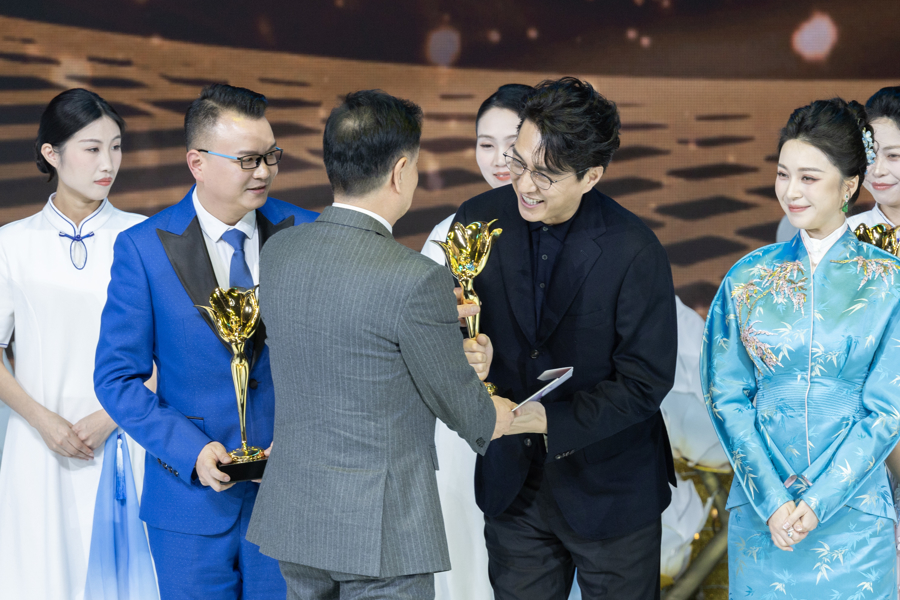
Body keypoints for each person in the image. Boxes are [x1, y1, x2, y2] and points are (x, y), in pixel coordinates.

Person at [246, 89, 517, 600]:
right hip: (382, 529)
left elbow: (345, 345)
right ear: (400, 171)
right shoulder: (414, 278)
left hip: (297, 514)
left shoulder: (280, 250)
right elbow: (462, 405)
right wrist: (498, 413)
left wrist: (431, 331)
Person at [454, 76, 678, 600]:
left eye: (546, 175)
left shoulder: (633, 249)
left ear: (591, 175)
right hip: (513, 489)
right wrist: (463, 351)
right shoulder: (476, 221)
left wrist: (545, 419)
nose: (525, 185)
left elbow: (644, 382)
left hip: (612, 489)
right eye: (519, 163)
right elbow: (450, 323)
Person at [93, 83, 317, 600]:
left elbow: (337, 360)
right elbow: (116, 378)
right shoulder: (142, 248)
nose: (263, 172)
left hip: (291, 496)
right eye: (247, 160)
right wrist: (191, 450)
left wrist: (303, 438)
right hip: (187, 507)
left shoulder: (307, 232)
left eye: (271, 156)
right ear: (197, 162)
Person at [702, 98, 900, 597]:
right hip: (763, 514)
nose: (790, 191)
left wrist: (818, 501)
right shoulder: (747, 277)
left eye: (809, 178)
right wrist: (773, 500)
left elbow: (888, 409)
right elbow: (726, 396)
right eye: (783, 174)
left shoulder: (888, 280)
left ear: (849, 186)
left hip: (855, 514)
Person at [0, 89, 153, 599]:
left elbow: (170, 351)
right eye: (92, 149)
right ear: (51, 153)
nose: (108, 163)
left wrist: (114, 415)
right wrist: (43, 421)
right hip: (38, 442)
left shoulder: (144, 237)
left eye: (116, 147)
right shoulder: (11, 244)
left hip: (126, 437)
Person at [420, 82, 533, 600]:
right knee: (466, 559)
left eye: (513, 143)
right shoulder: (450, 231)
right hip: (464, 422)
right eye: (486, 144)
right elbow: (420, 335)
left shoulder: (563, 223)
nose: (499, 159)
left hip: (541, 416)